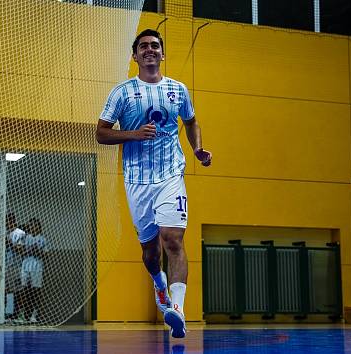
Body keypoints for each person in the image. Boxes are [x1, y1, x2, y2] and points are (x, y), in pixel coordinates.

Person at [96, 28, 212, 338]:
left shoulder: (178, 90)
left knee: (172, 239)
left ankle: (177, 309)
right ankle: (159, 285)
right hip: (137, 181)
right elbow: (101, 133)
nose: (150, 49)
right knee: (149, 253)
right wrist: (132, 134)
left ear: (162, 54)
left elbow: (191, 122)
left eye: (155, 45)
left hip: (170, 175)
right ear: (134, 56)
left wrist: (197, 149)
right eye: (144, 46)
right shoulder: (121, 93)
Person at [20, 218, 48, 323]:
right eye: (29, 225)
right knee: (24, 291)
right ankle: (23, 314)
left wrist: (37, 251)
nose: (31, 227)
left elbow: (45, 255)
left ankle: (34, 315)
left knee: (35, 292)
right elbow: (22, 252)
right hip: (25, 266)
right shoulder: (26, 238)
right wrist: (26, 250)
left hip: (37, 268)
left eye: (33, 225)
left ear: (38, 226)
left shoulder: (42, 239)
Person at [5, 213, 26, 319]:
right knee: (6, 290)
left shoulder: (20, 233)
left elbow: (21, 250)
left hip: (16, 266)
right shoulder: (4, 233)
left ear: (12, 221)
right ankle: (7, 313)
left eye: (7, 221)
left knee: (18, 291)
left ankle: (20, 313)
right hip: (6, 265)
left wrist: (10, 244)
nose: (6, 224)